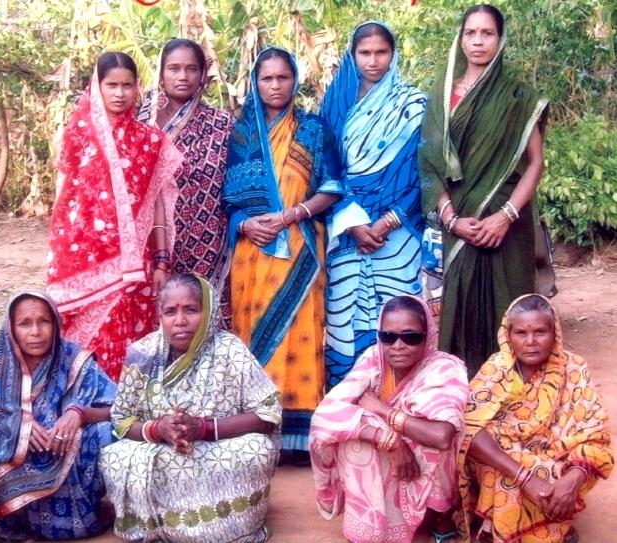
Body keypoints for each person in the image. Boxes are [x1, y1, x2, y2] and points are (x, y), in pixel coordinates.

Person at [223, 47, 341, 459]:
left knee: (300, 336)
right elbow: (227, 199)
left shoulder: (313, 129)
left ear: (295, 81)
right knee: (253, 331)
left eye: (282, 77)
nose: (275, 85)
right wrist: (245, 224)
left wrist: (294, 213)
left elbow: (332, 187)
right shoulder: (241, 134)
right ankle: (256, 429)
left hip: (300, 249)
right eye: (266, 78)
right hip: (252, 252)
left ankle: (297, 437)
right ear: (255, 83)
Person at [100, 274, 281, 542]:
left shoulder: (229, 349)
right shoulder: (143, 353)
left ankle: (226, 528)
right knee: (115, 456)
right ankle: (162, 526)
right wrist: (158, 429)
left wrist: (203, 428)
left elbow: (268, 415)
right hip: (160, 449)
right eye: (170, 312)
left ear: (208, 311)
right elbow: (121, 420)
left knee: (256, 449)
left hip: (220, 444)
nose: (180, 321)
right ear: (160, 316)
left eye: (191, 310)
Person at [419, 4, 548, 376]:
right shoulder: (442, 95)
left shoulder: (519, 96)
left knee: (511, 309)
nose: (477, 41)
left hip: (508, 226)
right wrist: (451, 219)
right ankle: (463, 397)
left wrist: (505, 217)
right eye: (470, 33)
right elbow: (429, 163)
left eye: (487, 33)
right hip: (459, 223)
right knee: (460, 309)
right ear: (460, 40)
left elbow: (535, 162)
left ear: (500, 39)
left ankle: (518, 397)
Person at [47, 51, 182, 381]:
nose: (120, 93)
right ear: (97, 87)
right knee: (84, 344)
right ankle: (84, 404)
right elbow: (64, 205)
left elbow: (158, 206)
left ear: (137, 88)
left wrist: (162, 261)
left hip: (137, 265)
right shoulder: (78, 136)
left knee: (132, 342)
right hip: (82, 263)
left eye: (127, 85)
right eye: (112, 85)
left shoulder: (150, 141)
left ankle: (128, 407)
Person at [310, 295, 468, 543]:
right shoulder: (374, 359)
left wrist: (382, 410)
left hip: (428, 450)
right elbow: (325, 415)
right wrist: (390, 440)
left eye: (410, 337)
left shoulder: (445, 367)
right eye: (388, 337)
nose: (398, 346)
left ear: (428, 336)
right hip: (392, 448)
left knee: (433, 443)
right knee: (353, 436)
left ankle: (439, 516)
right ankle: (372, 522)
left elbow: (441, 436)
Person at [320, 21, 426, 388]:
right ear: (352, 56)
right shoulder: (335, 104)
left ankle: (401, 399)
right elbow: (326, 167)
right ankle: (348, 401)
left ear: (393, 55)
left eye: (381, 52)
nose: (373, 61)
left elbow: (422, 171)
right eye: (364, 53)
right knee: (344, 316)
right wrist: (353, 224)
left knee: (400, 318)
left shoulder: (413, 104)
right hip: (347, 229)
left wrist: (387, 222)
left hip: (398, 234)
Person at [457, 294, 613, 543]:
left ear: (554, 333)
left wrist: (574, 477)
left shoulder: (573, 368)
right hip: (507, 458)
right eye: (521, 333)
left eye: (540, 332)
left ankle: (553, 524)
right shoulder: (497, 369)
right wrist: (525, 477)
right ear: (508, 335)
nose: (530, 342)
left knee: (577, 465)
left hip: (556, 454)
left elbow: (595, 431)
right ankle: (500, 526)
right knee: (503, 468)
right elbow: (469, 428)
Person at [0, 290, 117, 540]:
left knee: (106, 433)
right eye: (25, 323)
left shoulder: (73, 359)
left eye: (44, 321)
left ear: (55, 323)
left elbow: (118, 407)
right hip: (17, 457)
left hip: (70, 450)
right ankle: (18, 526)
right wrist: (20, 428)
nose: (36, 331)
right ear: (11, 327)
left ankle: (89, 515)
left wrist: (79, 413)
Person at [138, 38, 233, 323]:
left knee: (205, 320)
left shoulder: (222, 124)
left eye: (192, 69)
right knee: (159, 322)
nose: (183, 76)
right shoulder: (141, 124)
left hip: (209, 244)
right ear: (161, 73)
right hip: (151, 244)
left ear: (203, 75)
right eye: (174, 68)